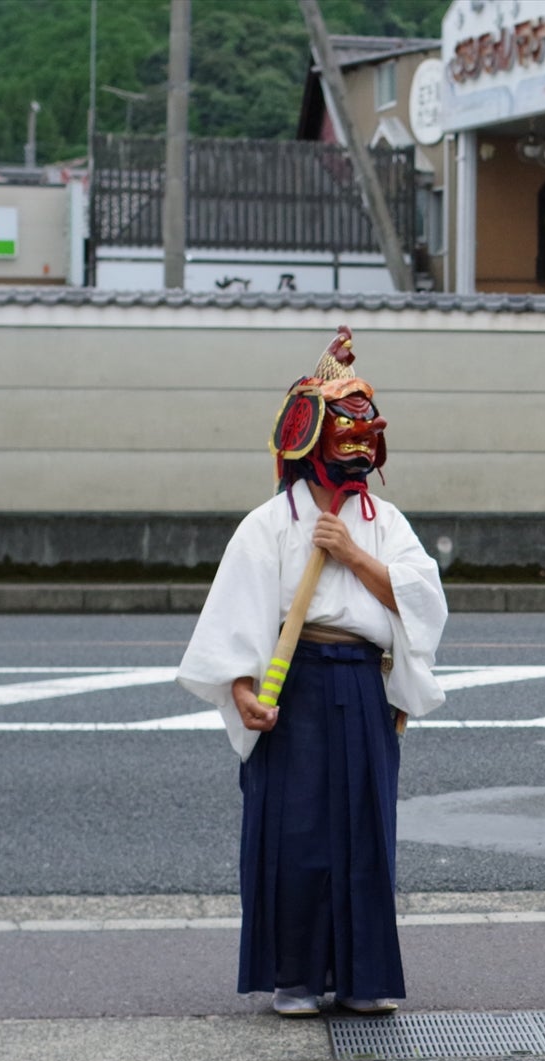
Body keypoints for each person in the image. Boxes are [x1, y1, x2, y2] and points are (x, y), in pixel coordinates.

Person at [177, 326, 446, 1018]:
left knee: (364, 832)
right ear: (309, 435)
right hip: (288, 683)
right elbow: (231, 621)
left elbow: (423, 601)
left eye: (366, 430)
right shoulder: (269, 524)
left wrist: (353, 554)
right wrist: (241, 692)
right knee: (293, 832)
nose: (358, 441)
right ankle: (294, 977)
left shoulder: (382, 521)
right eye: (344, 428)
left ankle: (361, 977)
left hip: (360, 683)